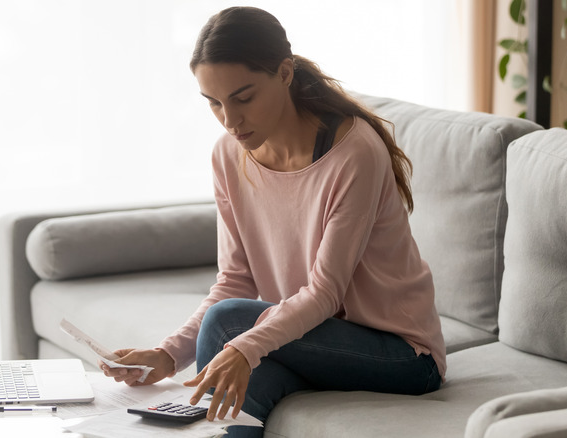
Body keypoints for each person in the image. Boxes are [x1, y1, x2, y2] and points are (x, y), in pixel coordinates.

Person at [101, 6, 445, 437]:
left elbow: (324, 293)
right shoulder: (228, 154)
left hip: (401, 356)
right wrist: (167, 355)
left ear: (285, 73)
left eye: (243, 98)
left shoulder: (353, 153)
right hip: (311, 341)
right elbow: (235, 280)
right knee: (241, 397)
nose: (230, 120)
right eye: (214, 103)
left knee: (229, 324)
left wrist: (244, 346)